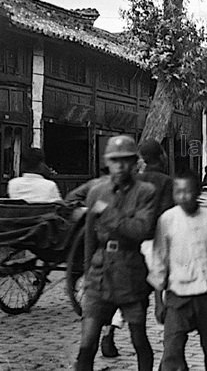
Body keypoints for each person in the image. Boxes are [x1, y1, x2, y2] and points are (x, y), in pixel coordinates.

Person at [75, 135, 156, 371]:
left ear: (134, 163)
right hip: (100, 275)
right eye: (114, 160)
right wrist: (88, 273)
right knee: (87, 344)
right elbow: (90, 238)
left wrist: (108, 214)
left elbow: (141, 229)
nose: (119, 166)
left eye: (125, 161)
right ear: (107, 163)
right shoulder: (97, 192)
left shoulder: (145, 192)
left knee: (139, 339)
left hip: (130, 273)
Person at [147, 170, 207, 370]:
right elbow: (159, 260)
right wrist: (158, 302)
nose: (183, 196)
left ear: (198, 192)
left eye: (188, 191)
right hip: (178, 297)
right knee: (172, 350)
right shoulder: (167, 219)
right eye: (178, 192)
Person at [99, 139, 175, 358]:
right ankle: (166, 343)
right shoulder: (166, 182)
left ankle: (109, 333)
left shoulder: (135, 181)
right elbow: (168, 216)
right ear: (162, 156)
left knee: (126, 292)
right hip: (157, 241)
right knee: (163, 290)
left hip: (135, 243)